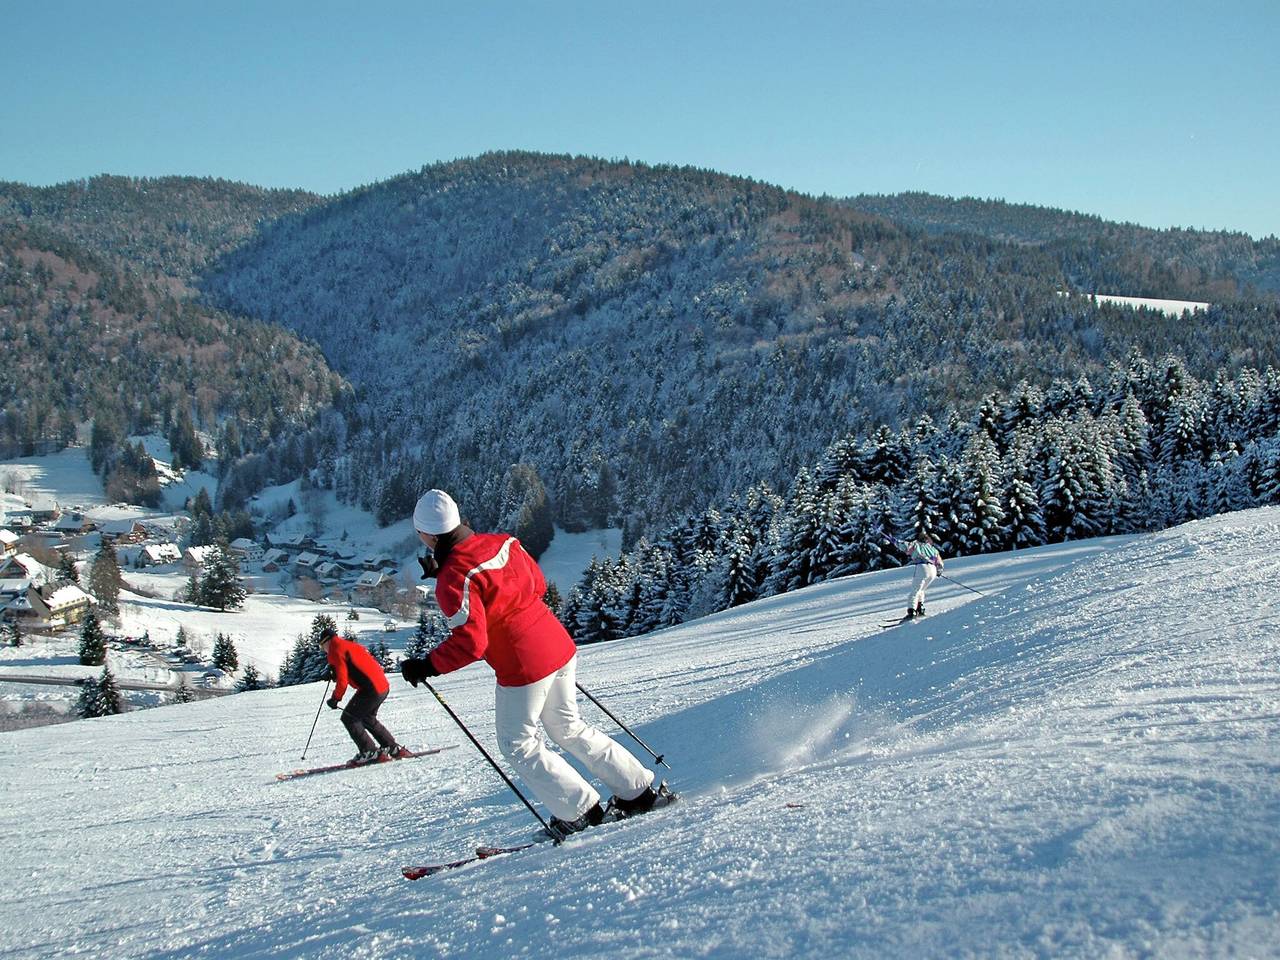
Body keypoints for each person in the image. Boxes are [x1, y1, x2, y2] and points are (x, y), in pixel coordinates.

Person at [400, 489, 666, 840]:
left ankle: (580, 811)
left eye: (419, 533)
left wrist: (426, 666)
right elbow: (537, 585)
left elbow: (471, 642)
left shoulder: (453, 579)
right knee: (569, 727)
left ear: (429, 535)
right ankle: (637, 791)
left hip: (522, 664)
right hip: (558, 644)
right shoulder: (504, 542)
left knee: (518, 743)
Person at [320, 624, 409, 765]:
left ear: (326, 642)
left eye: (321, 646)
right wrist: (335, 673)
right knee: (367, 718)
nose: (323, 650)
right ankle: (392, 748)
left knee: (349, 718)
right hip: (382, 686)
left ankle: (370, 752)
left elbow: (343, 681)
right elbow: (357, 666)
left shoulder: (334, 650)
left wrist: (335, 698)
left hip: (370, 688)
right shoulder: (348, 645)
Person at [890, 531, 944, 619]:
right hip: (933, 570)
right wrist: (939, 571)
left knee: (915, 590)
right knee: (921, 590)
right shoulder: (933, 549)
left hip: (922, 567)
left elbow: (905, 546)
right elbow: (940, 562)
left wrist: (894, 541)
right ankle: (920, 608)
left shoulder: (916, 544)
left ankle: (912, 612)